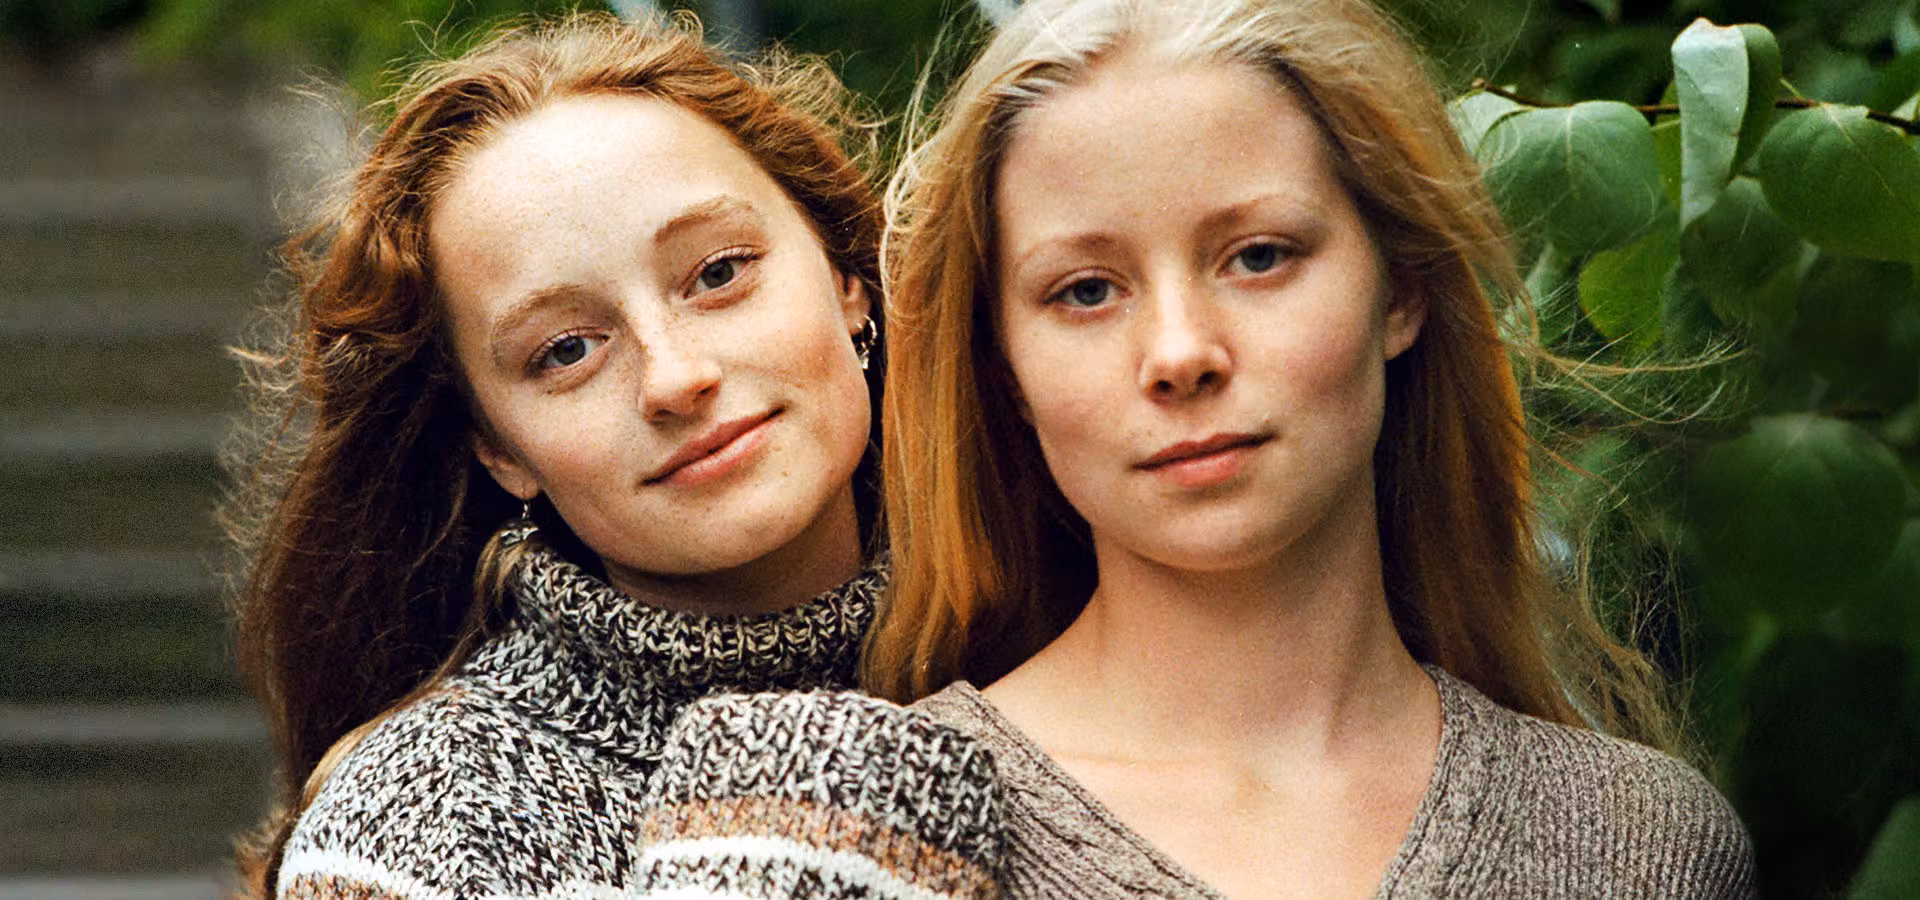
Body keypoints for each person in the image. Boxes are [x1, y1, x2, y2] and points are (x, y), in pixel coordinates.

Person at [870, 0, 1756, 895]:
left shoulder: (1642, 843)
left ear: (1401, 289)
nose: (1180, 354)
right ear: (1006, 368)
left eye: (1258, 257)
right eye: (1086, 291)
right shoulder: (874, 829)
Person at [225, 13, 1000, 899]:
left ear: (846, 280)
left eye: (719, 273)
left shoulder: (1069, 631)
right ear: (499, 449)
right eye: (566, 351)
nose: (676, 378)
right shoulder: (421, 828)